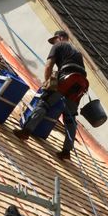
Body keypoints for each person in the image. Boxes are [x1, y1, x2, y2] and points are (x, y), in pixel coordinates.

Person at [39, 29, 88, 158]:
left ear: (60, 37)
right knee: (70, 116)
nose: (53, 43)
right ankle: (66, 151)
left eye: (54, 40)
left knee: (45, 102)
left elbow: (49, 65)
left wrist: (47, 83)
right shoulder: (77, 51)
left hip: (68, 77)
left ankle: (25, 131)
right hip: (81, 82)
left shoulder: (59, 45)